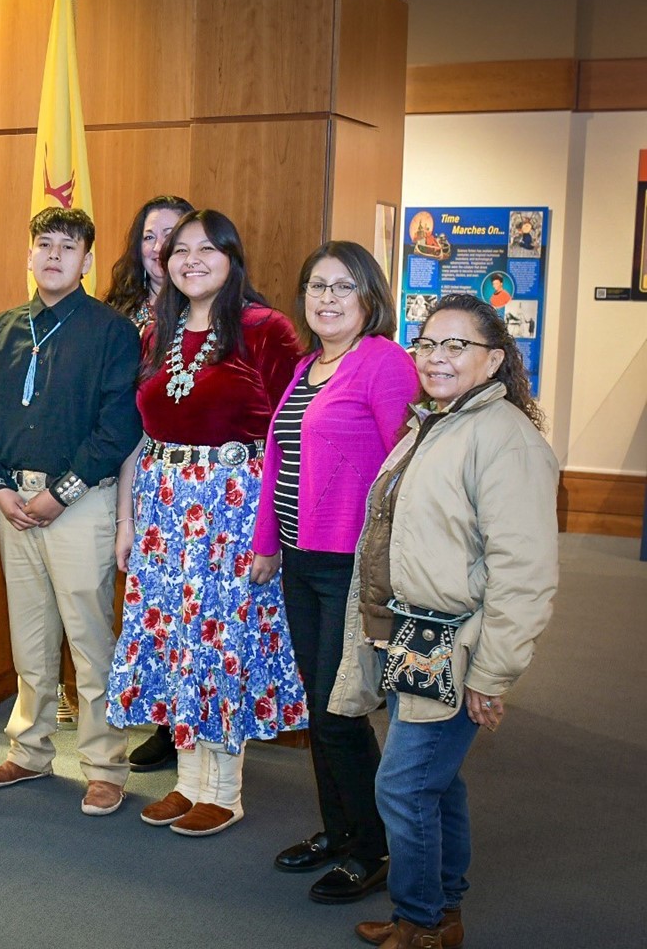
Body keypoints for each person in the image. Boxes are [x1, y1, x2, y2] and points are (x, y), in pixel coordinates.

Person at [341, 293, 558, 949]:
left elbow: (525, 575)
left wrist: (491, 673)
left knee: (404, 785)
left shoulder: (504, 439)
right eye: (428, 344)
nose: (437, 357)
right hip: (415, 636)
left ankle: (422, 920)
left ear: (493, 360)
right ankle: (443, 907)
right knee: (434, 780)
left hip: (452, 642)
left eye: (455, 346)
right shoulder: (433, 423)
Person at [107, 208, 307, 836]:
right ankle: (188, 781)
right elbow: (139, 436)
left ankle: (223, 789)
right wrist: (126, 521)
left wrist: (272, 532)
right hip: (164, 508)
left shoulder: (265, 328)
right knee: (176, 645)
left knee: (223, 645)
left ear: (231, 257)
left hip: (233, 508)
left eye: (205, 248)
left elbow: (288, 434)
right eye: (178, 249)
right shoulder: (155, 333)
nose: (190, 259)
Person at [249, 241, 419, 901]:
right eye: (316, 285)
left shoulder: (384, 364)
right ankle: (340, 830)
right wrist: (268, 545)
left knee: (340, 711)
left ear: (369, 297)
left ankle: (373, 847)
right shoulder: (307, 367)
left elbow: (405, 473)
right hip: (300, 561)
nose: (326, 297)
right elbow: (277, 462)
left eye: (342, 287)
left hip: (351, 565)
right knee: (319, 708)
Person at [0, 206, 142, 816]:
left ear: (87, 261)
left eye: (67, 247)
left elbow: (119, 425)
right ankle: (30, 749)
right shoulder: (3, 328)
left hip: (79, 504)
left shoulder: (111, 331)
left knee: (91, 641)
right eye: (44, 244)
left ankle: (104, 765)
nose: (53, 256)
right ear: (29, 253)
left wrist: (59, 494)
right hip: (14, 504)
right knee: (32, 639)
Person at [102, 193, 195, 773]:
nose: (159, 247)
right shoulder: (117, 316)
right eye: (149, 236)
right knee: (151, 605)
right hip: (121, 467)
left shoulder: (210, 313)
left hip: (187, 478)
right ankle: (163, 716)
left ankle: (190, 721)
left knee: (191, 605)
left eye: (173, 235)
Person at [102, 194, 195, 332]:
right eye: (149, 237)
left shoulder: (202, 309)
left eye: (169, 235)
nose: (158, 247)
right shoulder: (116, 310)